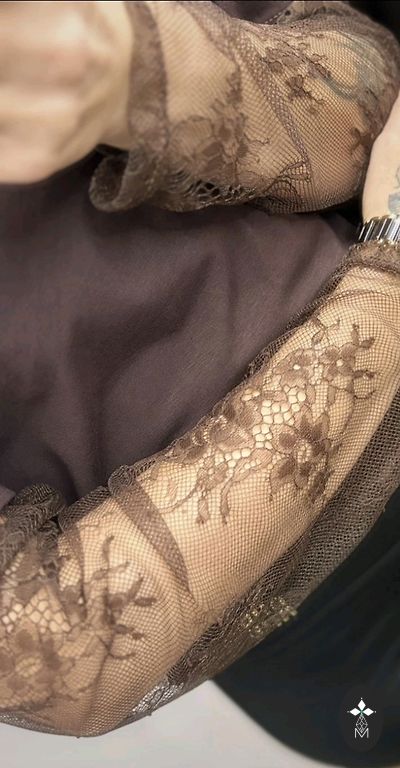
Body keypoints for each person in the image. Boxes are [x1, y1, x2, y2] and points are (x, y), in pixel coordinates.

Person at [0, 0, 399, 750]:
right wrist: (393, 269)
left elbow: (360, 68)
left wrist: (138, 74)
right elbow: (62, 655)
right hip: (304, 593)